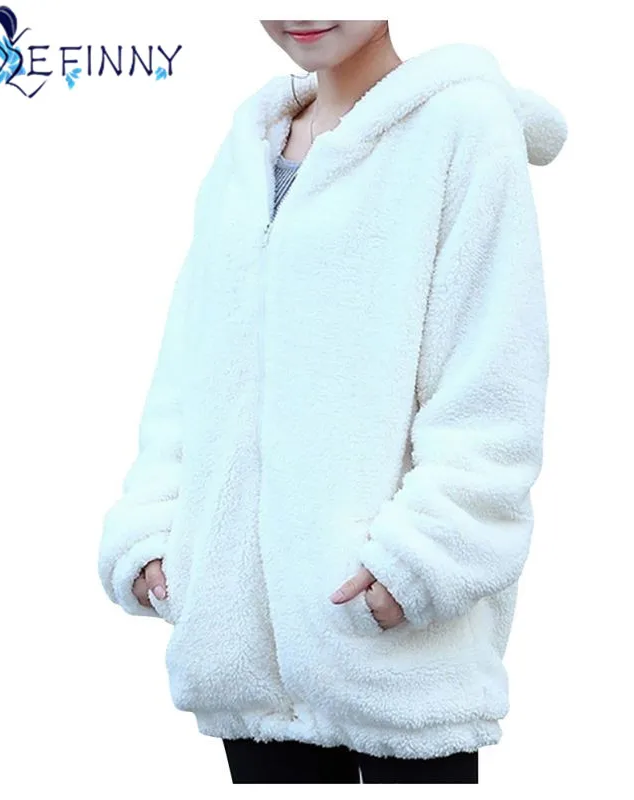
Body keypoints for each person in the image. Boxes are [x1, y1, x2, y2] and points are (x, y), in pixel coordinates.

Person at [97, 19, 566, 784]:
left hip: (390, 638)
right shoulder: (248, 148)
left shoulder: (462, 126)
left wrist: (421, 563)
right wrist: (155, 530)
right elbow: (189, 369)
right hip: (244, 656)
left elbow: (493, 382)